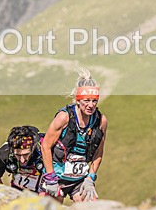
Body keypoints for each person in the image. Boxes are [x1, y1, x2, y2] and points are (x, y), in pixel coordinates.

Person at [40, 69, 107, 203]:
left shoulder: (101, 121)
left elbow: (98, 152)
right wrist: (50, 178)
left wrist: (90, 178)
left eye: (94, 101)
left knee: (93, 208)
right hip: (56, 177)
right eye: (86, 100)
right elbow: (45, 146)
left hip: (80, 180)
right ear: (78, 100)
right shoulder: (64, 117)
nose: (91, 105)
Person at [0, 125, 45, 192]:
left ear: (33, 148)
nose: (22, 160)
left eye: (26, 154)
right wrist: (4, 195)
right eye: (17, 155)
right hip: (18, 189)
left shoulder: (45, 148)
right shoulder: (4, 152)